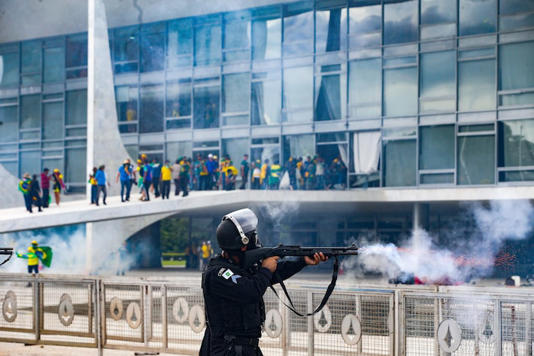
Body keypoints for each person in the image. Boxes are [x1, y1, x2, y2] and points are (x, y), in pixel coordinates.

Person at [199, 208, 327, 355]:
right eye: (253, 236)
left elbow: (273, 274)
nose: (256, 240)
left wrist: (302, 261)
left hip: (245, 347)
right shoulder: (218, 273)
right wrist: (265, 270)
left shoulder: (240, 267)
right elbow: (250, 290)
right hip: (227, 349)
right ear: (244, 243)